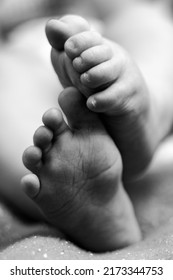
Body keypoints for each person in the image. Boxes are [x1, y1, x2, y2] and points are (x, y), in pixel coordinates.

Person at [0, 0, 173, 256]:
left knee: (139, 19)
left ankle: (148, 107)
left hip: (104, 44)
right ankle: (86, 199)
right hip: (20, 63)